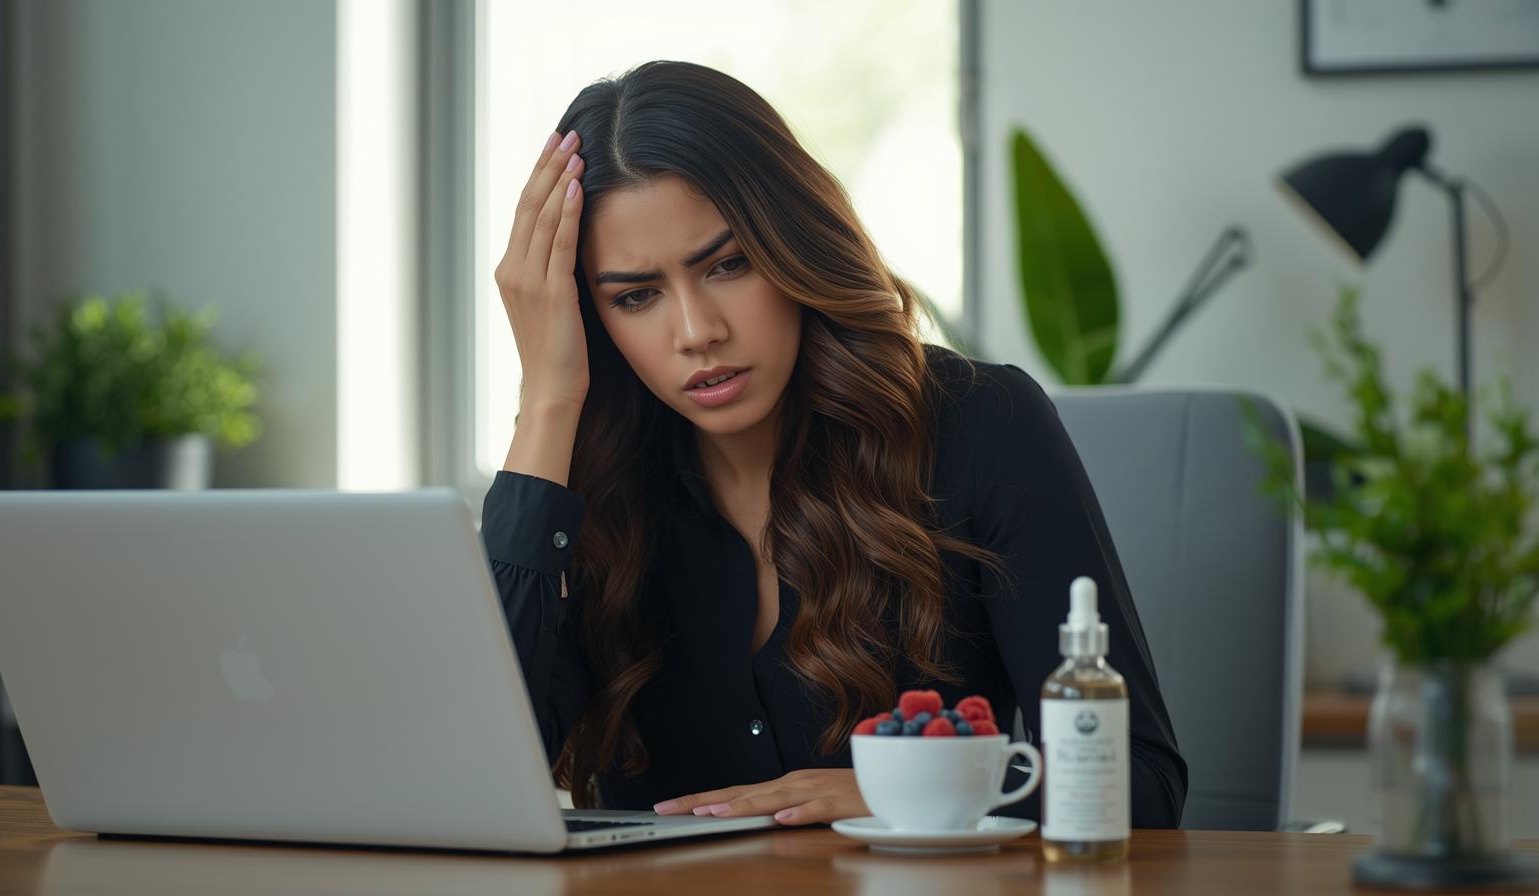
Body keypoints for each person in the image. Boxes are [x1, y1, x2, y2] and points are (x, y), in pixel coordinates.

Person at [483, 60, 1186, 828]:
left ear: (793, 246)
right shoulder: (582, 481)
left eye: (728, 264)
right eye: (636, 296)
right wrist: (547, 399)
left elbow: (1142, 785)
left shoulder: (982, 425)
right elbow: (476, 778)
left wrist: (906, 795)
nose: (696, 333)